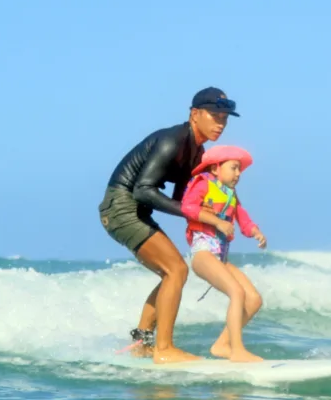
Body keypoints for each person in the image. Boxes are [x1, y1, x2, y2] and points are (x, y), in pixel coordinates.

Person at [98, 87, 239, 364]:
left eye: (225, 117)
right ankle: (164, 349)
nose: (220, 123)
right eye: (214, 115)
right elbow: (142, 190)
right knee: (176, 270)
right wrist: (196, 211)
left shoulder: (197, 153)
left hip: (136, 211)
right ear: (194, 114)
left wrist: (211, 217)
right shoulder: (172, 141)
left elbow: (182, 200)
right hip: (122, 206)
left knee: (171, 273)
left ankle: (142, 343)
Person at [181, 145, 267, 362]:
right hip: (203, 254)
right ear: (216, 168)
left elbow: (242, 217)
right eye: (234, 168)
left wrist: (255, 231)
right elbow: (188, 207)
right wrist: (218, 222)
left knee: (254, 299)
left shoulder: (230, 193)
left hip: (220, 258)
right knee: (237, 292)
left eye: (240, 170)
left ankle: (222, 345)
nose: (238, 174)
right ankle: (237, 351)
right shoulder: (203, 183)